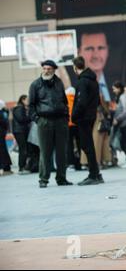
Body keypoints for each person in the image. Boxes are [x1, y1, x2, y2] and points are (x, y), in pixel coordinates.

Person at [28, 60, 72, 188]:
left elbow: (64, 101)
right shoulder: (35, 85)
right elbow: (31, 105)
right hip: (44, 121)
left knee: (61, 152)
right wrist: (37, 119)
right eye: (44, 68)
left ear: (54, 70)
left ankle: (61, 178)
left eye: (49, 69)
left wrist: (66, 117)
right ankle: (43, 179)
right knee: (45, 152)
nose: (46, 71)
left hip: (60, 121)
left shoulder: (59, 83)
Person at [72, 56, 104, 185]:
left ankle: (93, 175)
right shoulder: (93, 80)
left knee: (87, 146)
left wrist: (74, 115)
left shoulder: (82, 82)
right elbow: (97, 100)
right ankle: (96, 174)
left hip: (83, 118)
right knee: (88, 145)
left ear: (75, 67)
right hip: (90, 116)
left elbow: (81, 102)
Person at [78, 31, 112, 103]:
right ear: (79, 52)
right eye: (89, 49)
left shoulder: (117, 81)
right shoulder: (73, 85)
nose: (96, 56)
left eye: (101, 48)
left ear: (108, 50)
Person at [12, 95, 32, 174]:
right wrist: (30, 118)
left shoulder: (21, 108)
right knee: (23, 149)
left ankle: (22, 166)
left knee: (23, 149)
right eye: (27, 100)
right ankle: (21, 167)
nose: (28, 101)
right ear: (23, 100)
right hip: (19, 131)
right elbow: (21, 119)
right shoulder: (19, 108)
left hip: (20, 131)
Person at [65, 87, 81, 171]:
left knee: (69, 145)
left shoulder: (64, 100)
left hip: (67, 124)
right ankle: (81, 162)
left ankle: (71, 163)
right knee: (79, 143)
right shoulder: (77, 99)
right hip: (77, 124)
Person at [0, 100, 13, 176]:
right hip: (1, 134)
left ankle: (6, 168)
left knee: (3, 151)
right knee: (3, 151)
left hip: (2, 133)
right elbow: (5, 122)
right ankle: (6, 168)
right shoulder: (2, 113)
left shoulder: (3, 112)